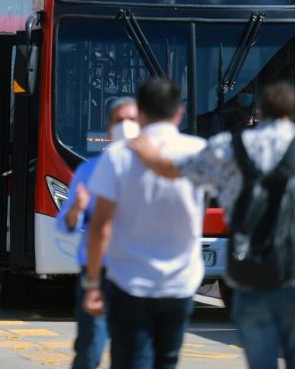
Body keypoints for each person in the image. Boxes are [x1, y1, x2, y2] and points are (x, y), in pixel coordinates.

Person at [129, 80, 295, 369]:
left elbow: (175, 170)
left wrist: (149, 156)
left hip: (251, 276)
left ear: (260, 111)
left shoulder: (228, 147)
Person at [83, 78, 207, 369]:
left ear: (139, 112)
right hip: (180, 282)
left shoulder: (118, 155)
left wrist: (92, 283)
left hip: (130, 282)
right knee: (167, 361)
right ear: (180, 112)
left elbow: (100, 224)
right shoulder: (199, 150)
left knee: (132, 361)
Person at [56, 97, 139, 369]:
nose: (126, 126)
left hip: (136, 273)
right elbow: (66, 224)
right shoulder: (90, 169)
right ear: (109, 129)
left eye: (132, 120)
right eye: (120, 121)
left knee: (130, 352)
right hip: (98, 272)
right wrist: (77, 209)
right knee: (90, 348)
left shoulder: (153, 170)